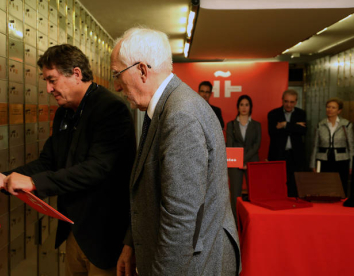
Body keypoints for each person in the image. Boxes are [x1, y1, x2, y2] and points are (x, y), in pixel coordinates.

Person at [0, 44, 136, 276]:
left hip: (104, 236)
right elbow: (49, 161)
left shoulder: (111, 109)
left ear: (76, 74)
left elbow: (97, 169)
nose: (48, 89)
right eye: (45, 81)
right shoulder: (64, 112)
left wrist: (35, 183)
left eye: (52, 80)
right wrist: (6, 177)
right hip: (74, 230)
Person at [112, 27, 240, 276]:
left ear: (142, 70)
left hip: (196, 264)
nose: (117, 86)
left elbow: (181, 219)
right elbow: (150, 189)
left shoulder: (180, 115)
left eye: (118, 74)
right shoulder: (166, 107)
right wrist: (131, 244)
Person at [226, 95, 261, 220]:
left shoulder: (256, 125)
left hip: (251, 161)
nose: (244, 107)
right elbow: (229, 145)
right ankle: (235, 223)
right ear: (238, 107)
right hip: (235, 162)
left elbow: (257, 145)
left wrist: (244, 160)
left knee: (255, 194)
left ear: (250, 107)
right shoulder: (231, 124)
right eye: (241, 104)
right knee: (235, 194)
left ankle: (253, 220)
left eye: (247, 104)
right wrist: (239, 160)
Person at [310, 98, 353, 196]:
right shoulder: (320, 125)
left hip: (342, 159)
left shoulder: (346, 125)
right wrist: (312, 164)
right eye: (328, 107)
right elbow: (315, 146)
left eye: (333, 107)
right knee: (324, 185)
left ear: (339, 111)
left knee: (341, 185)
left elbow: (351, 146)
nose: (330, 109)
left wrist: (351, 165)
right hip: (324, 159)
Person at [268, 89, 306, 197]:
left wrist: (285, 125)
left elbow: (303, 131)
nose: (288, 105)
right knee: (277, 184)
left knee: (294, 185)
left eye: (292, 102)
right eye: (286, 101)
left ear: (296, 102)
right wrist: (295, 126)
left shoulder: (301, 113)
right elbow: (273, 133)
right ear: (282, 100)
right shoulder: (273, 114)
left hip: (295, 156)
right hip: (278, 154)